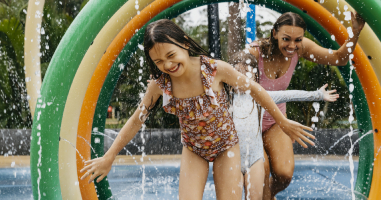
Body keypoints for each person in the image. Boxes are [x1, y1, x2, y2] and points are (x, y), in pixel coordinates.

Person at [80, 19, 315, 200]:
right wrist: (109, 156)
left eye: (171, 56)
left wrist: (281, 121)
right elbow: (136, 120)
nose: (168, 65)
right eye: (159, 62)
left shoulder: (213, 70)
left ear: (183, 43)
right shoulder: (160, 83)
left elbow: (255, 89)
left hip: (226, 146)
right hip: (194, 149)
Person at [246, 12, 365, 199]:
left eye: (297, 39)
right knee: (261, 171)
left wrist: (355, 32)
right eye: (286, 39)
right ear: (274, 33)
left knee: (284, 175)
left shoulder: (300, 49)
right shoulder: (254, 53)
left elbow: (339, 58)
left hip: (274, 122)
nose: (292, 45)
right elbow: (247, 96)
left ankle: (266, 194)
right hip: (249, 124)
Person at [229, 52, 339, 199]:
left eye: (246, 74)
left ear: (255, 77)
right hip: (231, 158)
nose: (241, 79)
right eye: (237, 74)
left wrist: (317, 95)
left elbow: (288, 94)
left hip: (254, 159)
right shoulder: (224, 99)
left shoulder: (260, 96)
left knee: (255, 197)